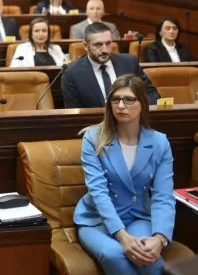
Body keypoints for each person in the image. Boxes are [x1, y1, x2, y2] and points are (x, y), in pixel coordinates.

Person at [74, 74, 174, 275]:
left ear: (143, 104)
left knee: (150, 258)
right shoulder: (93, 138)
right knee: (115, 254)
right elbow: (98, 192)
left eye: (129, 99)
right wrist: (122, 236)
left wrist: (160, 237)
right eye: (115, 99)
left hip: (138, 216)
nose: (120, 105)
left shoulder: (159, 142)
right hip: (97, 220)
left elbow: (163, 196)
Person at [60, 22, 160, 109]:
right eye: (98, 45)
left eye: (108, 43)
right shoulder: (72, 73)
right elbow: (75, 113)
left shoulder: (129, 62)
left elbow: (152, 94)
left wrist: (135, 110)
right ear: (86, 46)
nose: (105, 50)